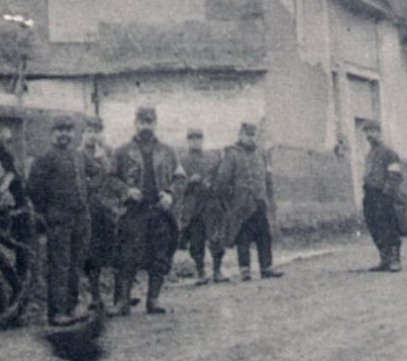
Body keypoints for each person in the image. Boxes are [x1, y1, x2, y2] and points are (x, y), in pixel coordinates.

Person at [110, 106, 184, 315]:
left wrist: (170, 195)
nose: (146, 126)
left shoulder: (168, 151)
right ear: (135, 123)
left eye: (149, 122)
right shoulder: (122, 152)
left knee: (160, 255)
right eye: (142, 122)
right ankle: (123, 301)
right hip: (134, 213)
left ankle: (153, 300)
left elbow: (180, 178)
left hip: (160, 212)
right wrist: (126, 191)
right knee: (128, 256)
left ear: (155, 123)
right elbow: (110, 178)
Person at [27, 115, 91, 326]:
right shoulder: (44, 159)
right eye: (59, 130)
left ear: (73, 134)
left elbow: (95, 175)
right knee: (60, 266)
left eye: (68, 130)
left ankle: (72, 308)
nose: (64, 134)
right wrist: (46, 214)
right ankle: (57, 313)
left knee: (75, 264)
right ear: (51, 134)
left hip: (79, 219)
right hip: (59, 220)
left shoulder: (78, 156)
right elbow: (34, 190)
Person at [215, 122, 283, 282]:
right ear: (240, 135)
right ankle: (244, 270)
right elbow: (222, 182)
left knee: (264, 234)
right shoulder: (232, 154)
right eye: (247, 135)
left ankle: (266, 267)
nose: (250, 139)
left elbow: (267, 179)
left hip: (259, 201)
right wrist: (229, 202)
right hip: (241, 203)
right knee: (243, 236)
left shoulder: (261, 154)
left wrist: (268, 199)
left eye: (253, 135)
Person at [176, 127, 225, 284]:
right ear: (188, 140)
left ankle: (217, 271)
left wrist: (211, 185)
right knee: (196, 241)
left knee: (216, 238)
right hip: (193, 206)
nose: (195, 141)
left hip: (210, 204)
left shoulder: (211, 158)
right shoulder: (182, 160)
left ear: (202, 140)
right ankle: (201, 272)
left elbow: (219, 178)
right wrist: (190, 181)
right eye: (192, 138)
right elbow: (178, 185)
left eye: (198, 138)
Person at [80, 116, 120, 308]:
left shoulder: (106, 154)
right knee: (91, 255)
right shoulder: (78, 155)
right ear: (83, 133)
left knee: (114, 251)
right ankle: (95, 297)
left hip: (109, 210)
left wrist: (104, 156)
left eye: (96, 131)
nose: (92, 135)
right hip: (90, 211)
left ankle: (119, 296)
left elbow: (113, 176)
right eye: (89, 131)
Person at [360, 119, 407, 272]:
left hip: (383, 195)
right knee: (374, 226)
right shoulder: (370, 154)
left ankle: (395, 260)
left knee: (389, 226)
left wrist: (387, 194)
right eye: (367, 132)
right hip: (370, 193)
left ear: (379, 132)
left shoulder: (389, 153)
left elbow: (395, 175)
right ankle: (384, 260)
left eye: (372, 131)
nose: (369, 135)